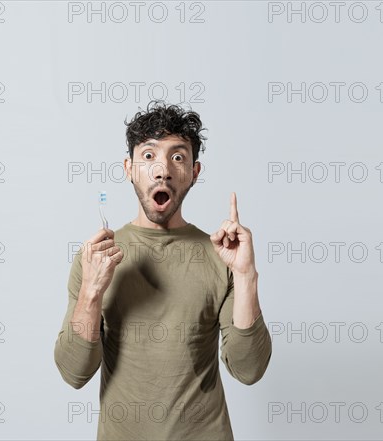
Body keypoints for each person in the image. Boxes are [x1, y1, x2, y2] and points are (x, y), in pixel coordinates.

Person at [54, 100, 272, 440]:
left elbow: (249, 369)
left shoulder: (222, 256)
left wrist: (245, 276)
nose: (163, 169)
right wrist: (92, 290)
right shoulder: (97, 258)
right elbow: (74, 372)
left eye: (178, 157)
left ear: (194, 173)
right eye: (149, 155)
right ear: (128, 168)